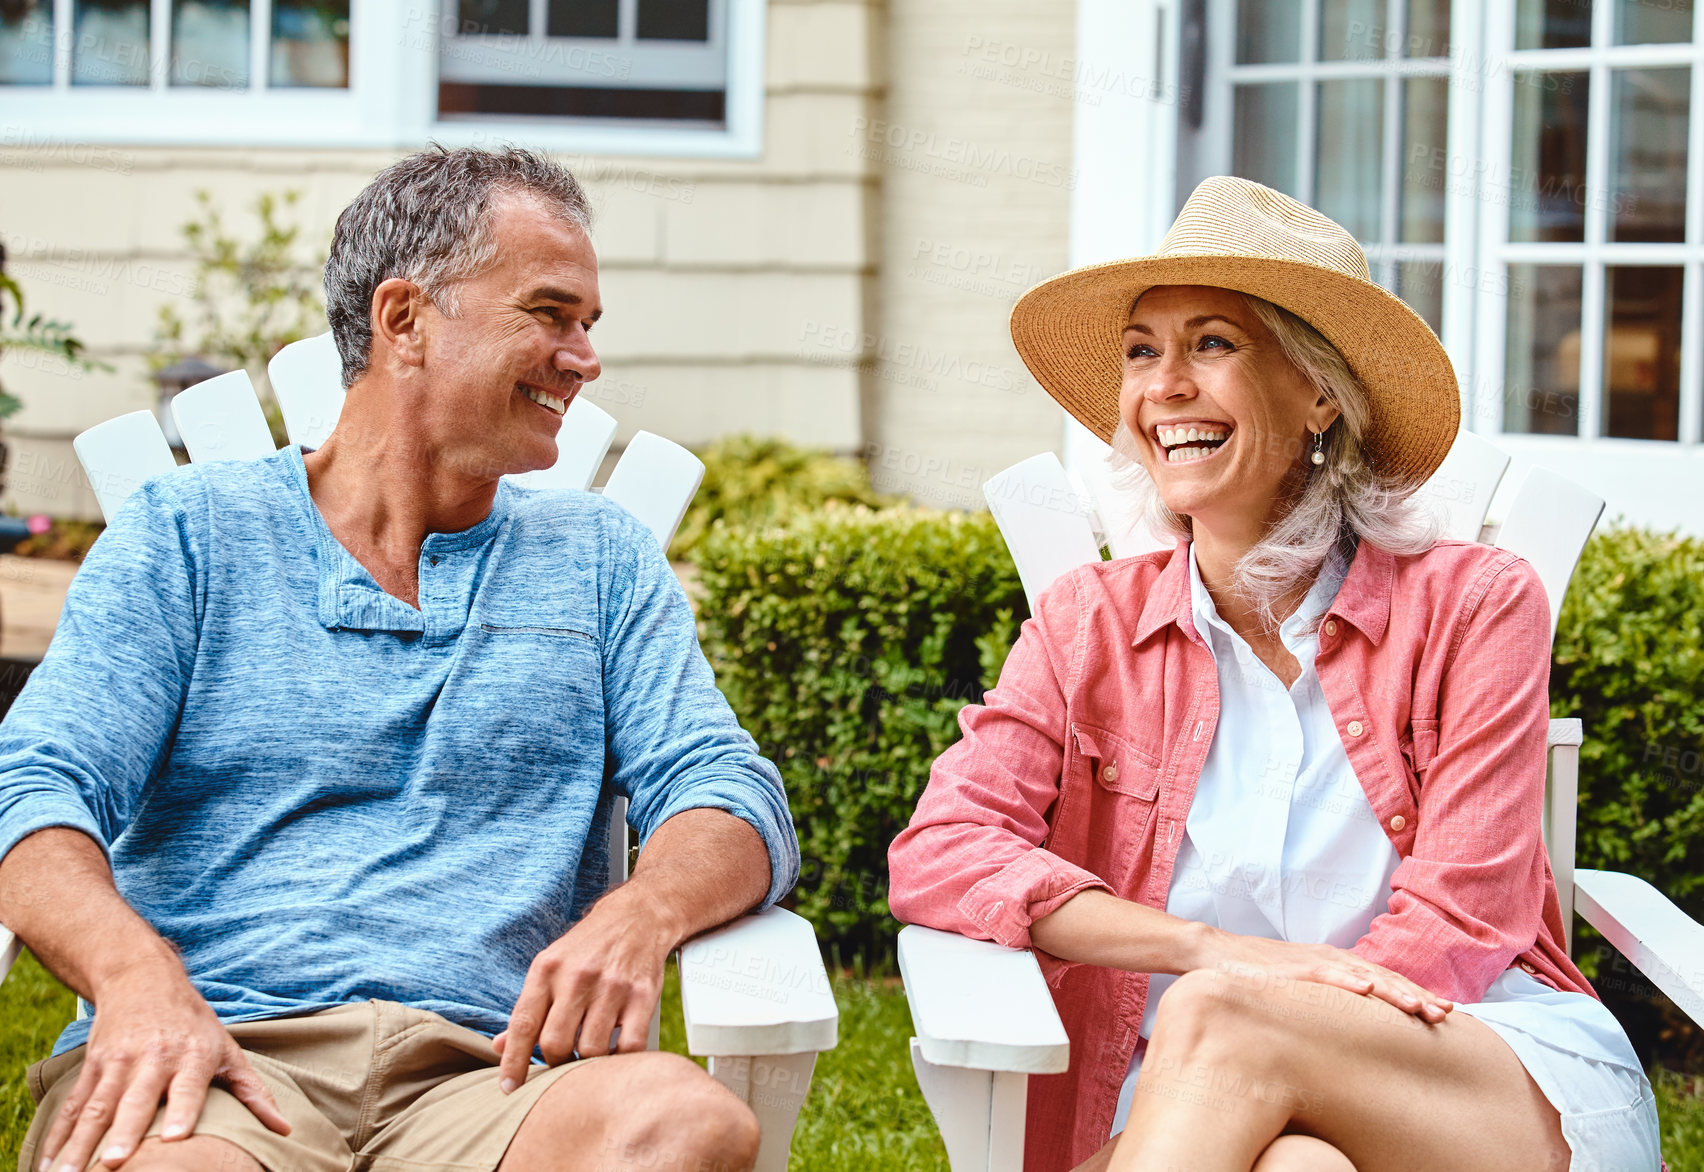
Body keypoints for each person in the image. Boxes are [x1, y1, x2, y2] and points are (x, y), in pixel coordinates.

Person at [0, 146, 800, 1172]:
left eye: (589, 325)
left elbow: (727, 789)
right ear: (406, 319)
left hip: (492, 1073)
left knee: (689, 1123)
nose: (583, 356)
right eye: (550, 313)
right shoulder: (189, 535)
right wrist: (132, 974)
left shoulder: (599, 560)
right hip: (218, 1057)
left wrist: (641, 909)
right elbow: (35, 784)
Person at [888, 175, 1661, 1172]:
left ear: (1320, 392)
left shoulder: (1476, 605)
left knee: (1226, 1018)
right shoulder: (1090, 624)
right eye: (1141, 351)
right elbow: (943, 848)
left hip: (1472, 1067)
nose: (1164, 386)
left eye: (1212, 342)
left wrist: (1248, 1000)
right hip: (1205, 1098)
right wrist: (1206, 950)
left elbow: (1465, 918)